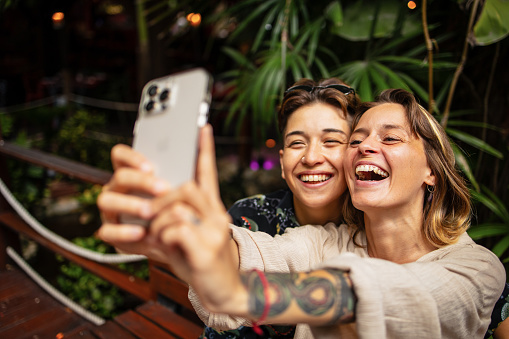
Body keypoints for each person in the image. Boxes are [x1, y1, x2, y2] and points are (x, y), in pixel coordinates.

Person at [97, 89, 506, 338]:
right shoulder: (329, 240)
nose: (364, 147)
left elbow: (395, 300)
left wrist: (237, 292)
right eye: (357, 139)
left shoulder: (476, 267)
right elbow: (256, 256)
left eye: (391, 138)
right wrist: (185, 233)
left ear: (432, 171)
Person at [203, 78, 359, 338]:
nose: (311, 158)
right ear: (283, 162)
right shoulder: (247, 215)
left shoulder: (370, 231)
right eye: (297, 143)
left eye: (331, 141)